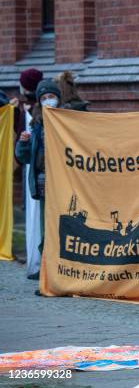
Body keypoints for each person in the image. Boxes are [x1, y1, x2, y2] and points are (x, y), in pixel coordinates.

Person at [15, 79, 63, 276]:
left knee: (63, 227)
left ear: (59, 98)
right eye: (44, 98)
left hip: (66, 184)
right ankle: (46, 271)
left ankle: (62, 270)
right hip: (44, 185)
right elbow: (24, 158)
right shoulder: (36, 125)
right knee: (46, 229)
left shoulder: (69, 119)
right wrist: (23, 143)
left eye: (51, 97)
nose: (48, 100)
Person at [11, 69, 44, 277]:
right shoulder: (26, 110)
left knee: (39, 219)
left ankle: (40, 262)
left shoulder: (30, 112)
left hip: (37, 172)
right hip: (35, 172)